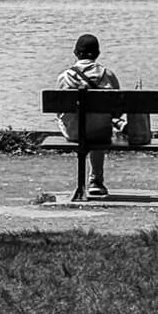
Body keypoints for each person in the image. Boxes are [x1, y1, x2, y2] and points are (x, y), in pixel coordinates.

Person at [55, 31, 121, 199]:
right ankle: (95, 181)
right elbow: (117, 111)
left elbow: (58, 110)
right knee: (100, 126)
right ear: (98, 54)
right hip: (100, 132)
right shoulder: (108, 75)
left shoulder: (64, 77)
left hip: (74, 132)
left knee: (72, 120)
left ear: (76, 53)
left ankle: (85, 184)